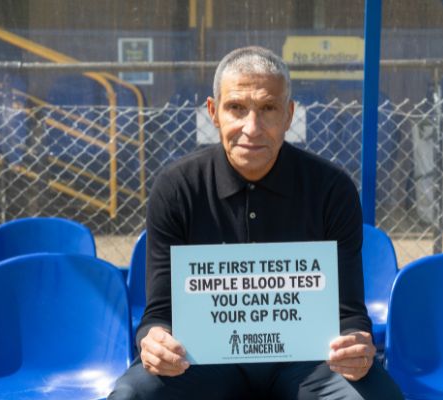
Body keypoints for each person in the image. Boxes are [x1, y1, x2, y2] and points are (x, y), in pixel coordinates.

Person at [109, 46, 403, 400]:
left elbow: (348, 311)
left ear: (289, 115)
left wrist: (355, 344)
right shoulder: (177, 188)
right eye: (236, 108)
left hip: (307, 362)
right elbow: (159, 312)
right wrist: (153, 340)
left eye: (268, 109)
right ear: (213, 113)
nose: (252, 127)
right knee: (132, 395)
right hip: (202, 361)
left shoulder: (331, 189)